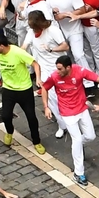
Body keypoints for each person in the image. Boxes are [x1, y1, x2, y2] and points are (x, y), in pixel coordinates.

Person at [42, 56, 99, 186]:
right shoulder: (54, 77)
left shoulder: (79, 71)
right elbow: (45, 88)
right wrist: (46, 107)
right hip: (67, 112)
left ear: (68, 68)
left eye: (60, 69)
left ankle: (77, 147)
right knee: (77, 139)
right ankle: (78, 174)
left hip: (82, 108)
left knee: (90, 136)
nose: (57, 71)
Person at [0, 34, 45, 154]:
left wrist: (38, 78)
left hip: (24, 90)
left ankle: (36, 141)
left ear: (2, 46)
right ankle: (9, 132)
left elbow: (35, 64)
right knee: (5, 115)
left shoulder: (18, 52)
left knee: (31, 117)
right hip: (8, 89)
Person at [21, 10, 68, 139]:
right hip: (45, 70)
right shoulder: (31, 33)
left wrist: (51, 49)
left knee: (64, 96)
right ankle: (62, 125)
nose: (34, 31)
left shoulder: (53, 31)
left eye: (35, 28)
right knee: (52, 98)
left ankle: (71, 118)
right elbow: (24, 47)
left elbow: (65, 46)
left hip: (59, 69)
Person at [48, 0, 94, 97]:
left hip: (74, 29)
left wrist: (68, 14)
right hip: (60, 29)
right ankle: (73, 80)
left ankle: (89, 83)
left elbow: (82, 9)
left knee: (78, 54)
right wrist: (53, 11)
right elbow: (47, 8)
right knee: (67, 56)